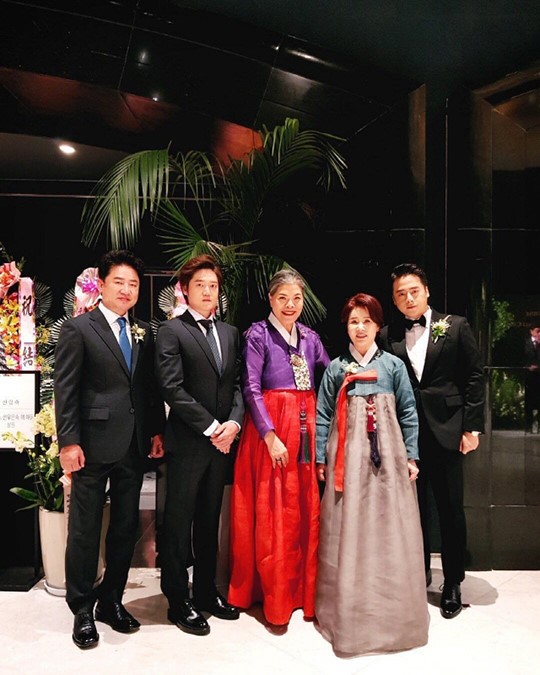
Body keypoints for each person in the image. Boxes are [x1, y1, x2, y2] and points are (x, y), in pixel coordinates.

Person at [54, 249, 165, 649]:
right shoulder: (79, 329)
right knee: (84, 530)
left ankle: (111, 602)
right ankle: (82, 609)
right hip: (90, 445)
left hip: (133, 445)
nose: (126, 289)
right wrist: (69, 442)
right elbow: (66, 389)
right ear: (101, 285)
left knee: (124, 527)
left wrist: (155, 431)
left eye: (133, 284)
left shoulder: (143, 331)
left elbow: (148, 388)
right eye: (119, 281)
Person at [315, 292, 428, 656]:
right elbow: (322, 415)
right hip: (346, 461)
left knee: (388, 528)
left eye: (367, 321)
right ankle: (347, 611)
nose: (360, 328)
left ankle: (391, 612)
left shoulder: (393, 366)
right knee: (346, 528)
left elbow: (408, 412)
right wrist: (320, 458)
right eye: (353, 321)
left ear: (378, 325)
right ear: (345, 327)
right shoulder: (336, 368)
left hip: (388, 462)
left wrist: (411, 456)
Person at [378, 262, 485, 619]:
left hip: (448, 430)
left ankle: (453, 581)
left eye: (414, 291)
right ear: (394, 300)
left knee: (451, 509)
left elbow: (474, 377)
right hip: (405, 436)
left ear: (426, 291)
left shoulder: (455, 326)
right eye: (401, 294)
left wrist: (471, 428)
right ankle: (417, 573)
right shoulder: (387, 335)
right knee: (413, 510)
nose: (408, 298)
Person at [228, 268, 330, 626]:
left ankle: (301, 590)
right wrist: (270, 435)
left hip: (306, 430)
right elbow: (250, 387)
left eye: (296, 298)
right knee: (273, 510)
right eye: (283, 297)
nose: (290, 304)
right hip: (271, 432)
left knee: (303, 509)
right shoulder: (258, 335)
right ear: (270, 299)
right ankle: (272, 595)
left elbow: (329, 377)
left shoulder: (310, 338)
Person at [155, 254, 244, 636]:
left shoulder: (229, 332)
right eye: (200, 286)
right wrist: (212, 427)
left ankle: (206, 591)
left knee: (209, 521)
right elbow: (171, 388)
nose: (208, 292)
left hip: (222, 445)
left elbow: (237, 384)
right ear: (185, 290)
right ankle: (177, 599)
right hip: (189, 442)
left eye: (213, 286)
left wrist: (234, 424)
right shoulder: (172, 330)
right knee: (178, 524)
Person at [524, 324, 540, 433]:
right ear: (532, 331)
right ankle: (529, 425)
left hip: (538, 374)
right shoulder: (526, 343)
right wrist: (528, 366)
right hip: (529, 376)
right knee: (529, 400)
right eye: (537, 331)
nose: (539, 334)